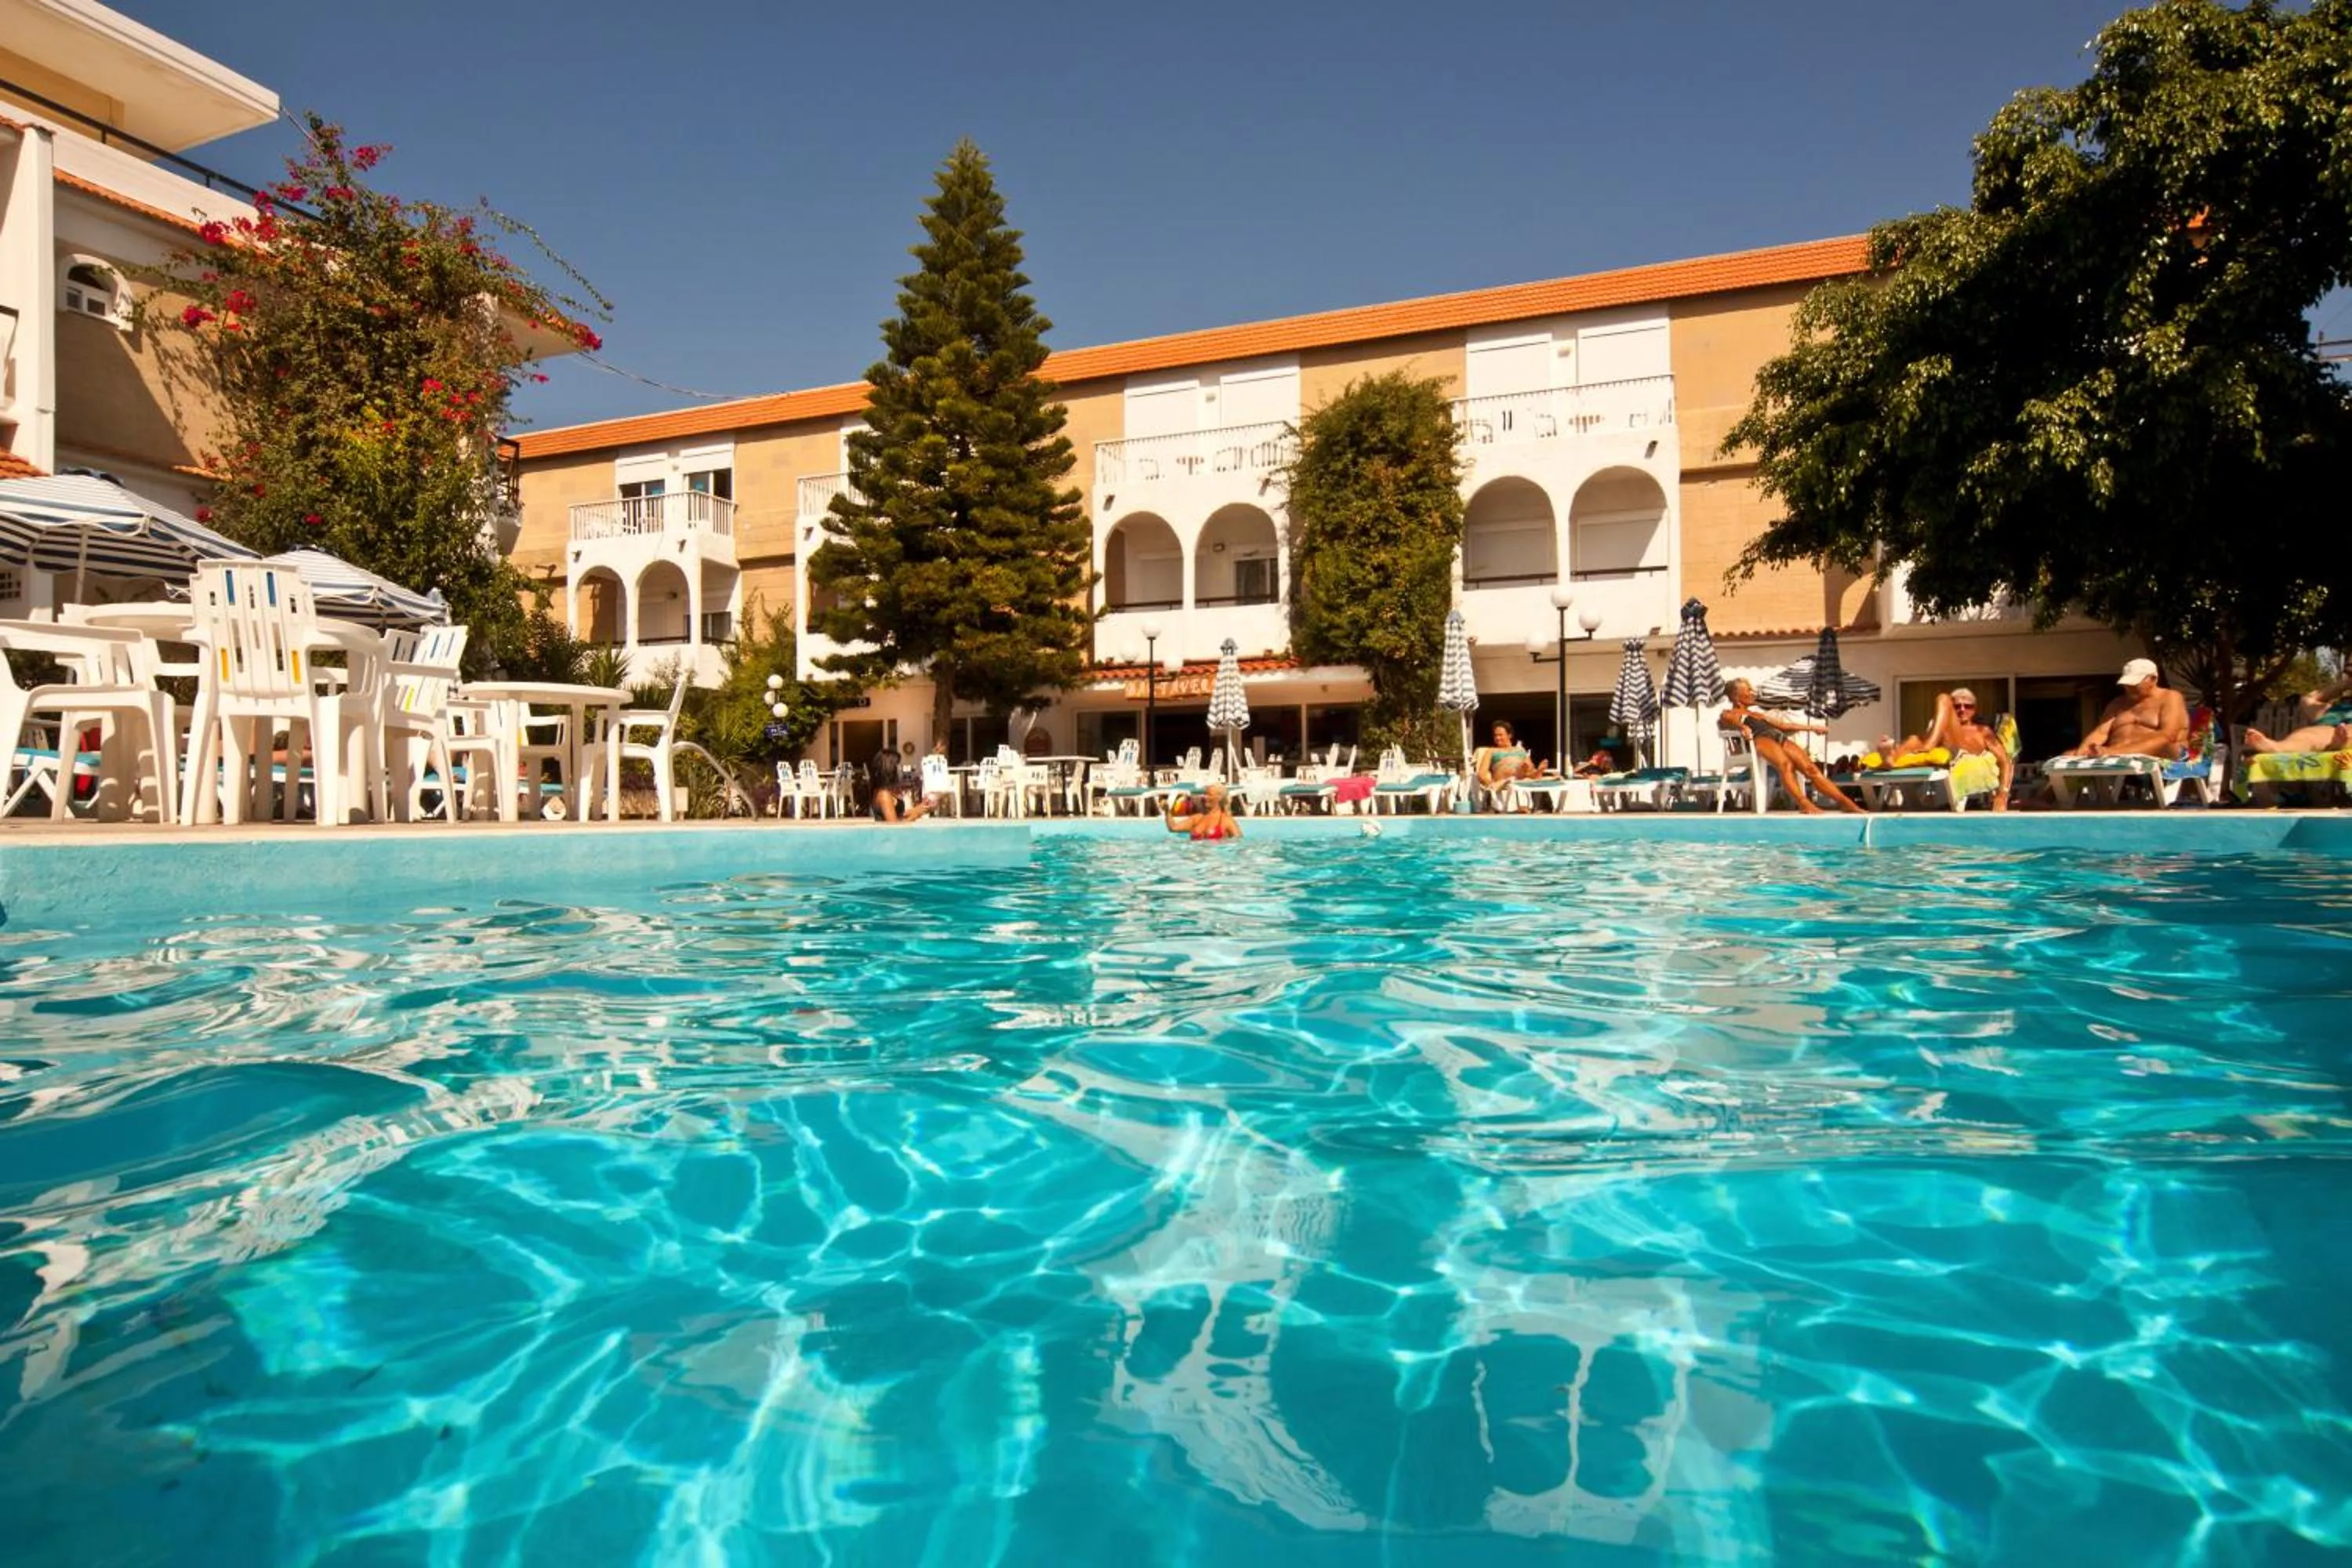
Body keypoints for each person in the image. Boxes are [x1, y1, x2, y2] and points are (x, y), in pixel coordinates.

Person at [1719, 678, 1865, 814]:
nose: (1753, 693)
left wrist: (1813, 728)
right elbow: (1729, 720)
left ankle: (1845, 802)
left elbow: (1784, 725)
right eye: (1748, 690)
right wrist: (1742, 727)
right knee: (1786, 765)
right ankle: (1803, 803)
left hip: (1778, 737)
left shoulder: (1758, 714)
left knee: (1811, 769)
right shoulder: (1729, 713)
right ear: (1736, 696)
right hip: (1760, 738)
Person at [1864, 687, 2013, 810]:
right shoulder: (1943, 728)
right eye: (1956, 706)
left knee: (1942, 698)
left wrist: (2002, 795)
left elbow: (2006, 762)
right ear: (1950, 711)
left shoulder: (1983, 731)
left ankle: (1916, 747)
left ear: (1974, 710)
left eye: (1968, 706)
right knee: (1913, 739)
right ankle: (1889, 760)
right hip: (1944, 748)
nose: (1962, 710)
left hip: (1960, 752)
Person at [2066, 659, 2189, 759]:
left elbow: (2167, 735)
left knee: (2167, 746)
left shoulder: (2170, 697)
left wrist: (2115, 752)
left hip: (2157, 754)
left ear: (2153, 679)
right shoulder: (2118, 703)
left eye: (2135, 683)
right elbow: (2101, 733)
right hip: (2117, 755)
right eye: (2127, 683)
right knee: (2068, 756)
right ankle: (2059, 789)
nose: (2129, 687)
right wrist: (2081, 753)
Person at [1474, 721, 1553, 792]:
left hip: (1522, 781)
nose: (1497, 738)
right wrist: (1492, 785)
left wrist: (1536, 772)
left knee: (1527, 769)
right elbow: (1481, 774)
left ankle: (1538, 772)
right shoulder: (1491, 751)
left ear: (1509, 735)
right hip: (1503, 784)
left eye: (1501, 735)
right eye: (1495, 736)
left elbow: (1530, 772)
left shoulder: (1521, 750)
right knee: (1518, 777)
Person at [868, 742, 932, 823]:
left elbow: (899, 815)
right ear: (890, 768)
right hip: (888, 836)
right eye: (897, 764)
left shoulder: (887, 792)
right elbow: (895, 827)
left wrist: (920, 808)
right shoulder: (884, 795)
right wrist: (917, 814)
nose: (900, 768)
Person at [1165, 779, 1242, 840]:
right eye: (1205, 794)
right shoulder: (1197, 819)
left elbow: (1239, 843)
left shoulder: (1226, 821)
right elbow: (1173, 828)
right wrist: (1167, 810)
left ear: (1219, 798)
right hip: (1195, 858)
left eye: (1209, 795)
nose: (1205, 797)